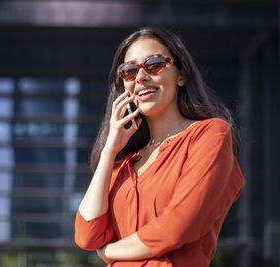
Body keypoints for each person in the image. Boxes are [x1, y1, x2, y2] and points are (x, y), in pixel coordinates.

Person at [74, 26, 245, 266]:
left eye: (154, 64)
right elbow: (86, 236)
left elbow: (180, 225)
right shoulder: (123, 162)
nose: (141, 77)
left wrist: (110, 252)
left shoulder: (209, 134)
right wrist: (109, 151)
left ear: (181, 75)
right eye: (129, 71)